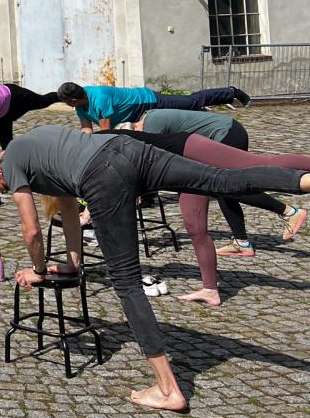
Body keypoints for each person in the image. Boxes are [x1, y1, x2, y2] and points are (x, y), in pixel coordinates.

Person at [0, 125, 310, 411]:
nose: (8, 190)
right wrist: (73, 263)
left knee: (126, 284)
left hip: (104, 176)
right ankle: (304, 180)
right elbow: (67, 209)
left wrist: (37, 269)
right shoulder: (39, 143)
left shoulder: (12, 162)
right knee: (220, 179)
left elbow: (31, 229)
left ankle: (168, 390)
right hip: (131, 149)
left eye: (2, 188)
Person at [112, 126, 310, 307]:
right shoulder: (91, 149)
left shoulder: (101, 142)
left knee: (258, 164)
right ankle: (210, 290)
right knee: (195, 228)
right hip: (180, 174)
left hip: (188, 150)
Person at [138, 109, 305, 260]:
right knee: (224, 189)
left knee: (228, 183)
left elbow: (153, 158)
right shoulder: (151, 119)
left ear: (135, 127)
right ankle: (242, 243)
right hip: (227, 132)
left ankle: (289, 212)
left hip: (228, 133)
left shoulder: (151, 124)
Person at [57, 82, 249, 132]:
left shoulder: (99, 98)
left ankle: (230, 92)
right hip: (134, 118)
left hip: (147, 101)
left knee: (191, 102)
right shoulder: (80, 106)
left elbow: (106, 131)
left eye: (67, 103)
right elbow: (86, 128)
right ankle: (148, 195)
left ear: (73, 100)